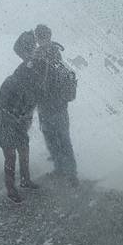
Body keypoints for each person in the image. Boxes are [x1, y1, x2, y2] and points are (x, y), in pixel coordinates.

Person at [0, 58, 45, 203]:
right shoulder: (10, 83)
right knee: (10, 156)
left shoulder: (33, 85)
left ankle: (25, 180)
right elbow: (3, 108)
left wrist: (26, 119)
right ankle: (11, 189)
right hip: (4, 124)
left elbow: (31, 105)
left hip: (19, 123)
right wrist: (16, 119)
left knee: (24, 150)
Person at [32, 24, 78, 184]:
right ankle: (70, 173)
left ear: (38, 37)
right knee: (62, 138)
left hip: (47, 106)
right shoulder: (56, 52)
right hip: (59, 106)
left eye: (38, 36)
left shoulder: (40, 54)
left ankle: (62, 170)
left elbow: (38, 81)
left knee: (53, 138)